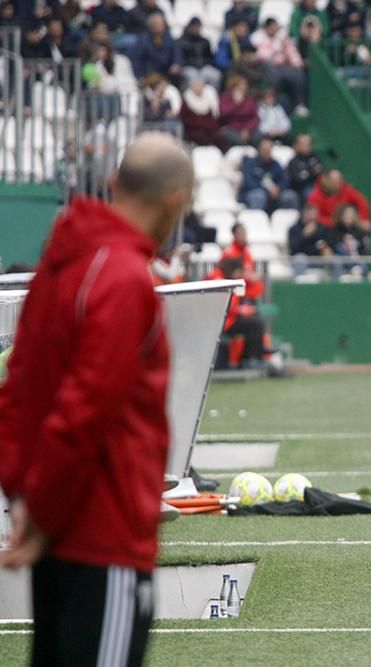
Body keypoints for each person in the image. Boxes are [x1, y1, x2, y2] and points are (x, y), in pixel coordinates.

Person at [0, 133, 193, 665]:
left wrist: (24, 500)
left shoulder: (64, 263)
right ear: (177, 200)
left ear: (113, 184)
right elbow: (86, 409)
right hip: (101, 533)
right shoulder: (125, 278)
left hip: (56, 524)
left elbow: (20, 390)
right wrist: (39, 513)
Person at [287, 133, 324, 202]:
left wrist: (309, 173)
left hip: (317, 186)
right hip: (301, 190)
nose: (307, 147)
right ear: (297, 146)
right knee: (310, 192)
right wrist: (312, 172)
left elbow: (321, 171)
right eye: (304, 144)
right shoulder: (294, 162)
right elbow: (298, 180)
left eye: (309, 144)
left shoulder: (315, 157)